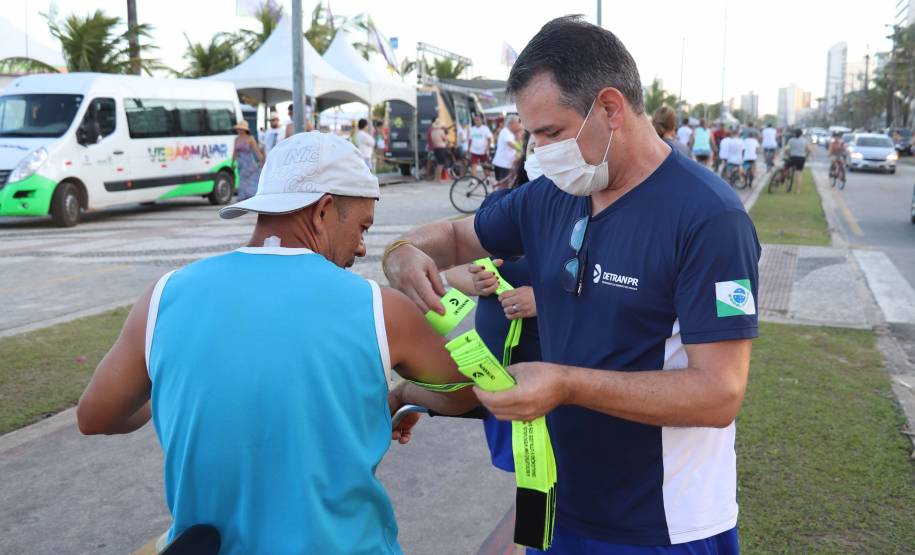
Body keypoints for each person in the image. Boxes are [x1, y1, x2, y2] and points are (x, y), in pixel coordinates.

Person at [383, 16, 758, 554]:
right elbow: (452, 235)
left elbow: (720, 393)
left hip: (661, 524)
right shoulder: (555, 193)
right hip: (556, 500)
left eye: (551, 133)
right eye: (530, 135)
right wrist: (403, 253)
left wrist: (566, 384)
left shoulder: (707, 217)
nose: (538, 153)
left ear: (609, 108)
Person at [75, 132, 478, 554]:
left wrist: (172, 387)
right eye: (361, 227)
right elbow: (468, 390)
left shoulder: (163, 296)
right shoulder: (381, 309)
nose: (361, 247)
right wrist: (405, 395)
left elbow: (96, 416)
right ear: (323, 211)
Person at [443, 133, 542, 473]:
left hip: (551, 372)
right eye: (533, 145)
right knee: (524, 474)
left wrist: (544, 301)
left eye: (552, 138)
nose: (541, 151)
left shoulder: (588, 212)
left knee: (561, 475)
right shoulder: (500, 205)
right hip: (496, 368)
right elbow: (452, 269)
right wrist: (472, 280)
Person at [231, 120, 263, 201]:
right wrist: (232, 163)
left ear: (244, 129)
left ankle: (251, 197)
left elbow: (256, 150)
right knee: (242, 179)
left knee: (251, 179)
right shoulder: (236, 139)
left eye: (240, 128)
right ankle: (243, 197)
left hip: (249, 162)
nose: (239, 130)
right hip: (240, 162)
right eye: (238, 128)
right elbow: (234, 151)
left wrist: (261, 161)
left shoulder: (250, 138)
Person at [493, 114, 522, 181]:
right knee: (503, 185)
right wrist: (522, 150)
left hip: (507, 163)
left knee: (506, 184)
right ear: (511, 123)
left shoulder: (511, 131)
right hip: (503, 163)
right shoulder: (506, 131)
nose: (519, 125)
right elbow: (510, 144)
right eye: (518, 123)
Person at [786, 128, 812, 193]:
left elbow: (786, 149)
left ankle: (787, 179)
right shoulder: (804, 141)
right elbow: (809, 150)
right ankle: (798, 190)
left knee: (786, 168)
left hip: (792, 157)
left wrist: (788, 155)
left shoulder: (790, 140)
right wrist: (806, 156)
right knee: (799, 174)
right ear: (801, 134)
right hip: (801, 158)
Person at [469, 114, 494, 178]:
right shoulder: (472, 129)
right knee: (473, 165)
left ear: (481, 120)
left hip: (483, 151)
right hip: (474, 150)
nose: (477, 121)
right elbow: (470, 140)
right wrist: (469, 148)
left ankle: (487, 178)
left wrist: (487, 148)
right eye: (475, 120)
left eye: (478, 120)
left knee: (485, 165)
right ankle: (474, 179)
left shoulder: (485, 129)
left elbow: (489, 139)